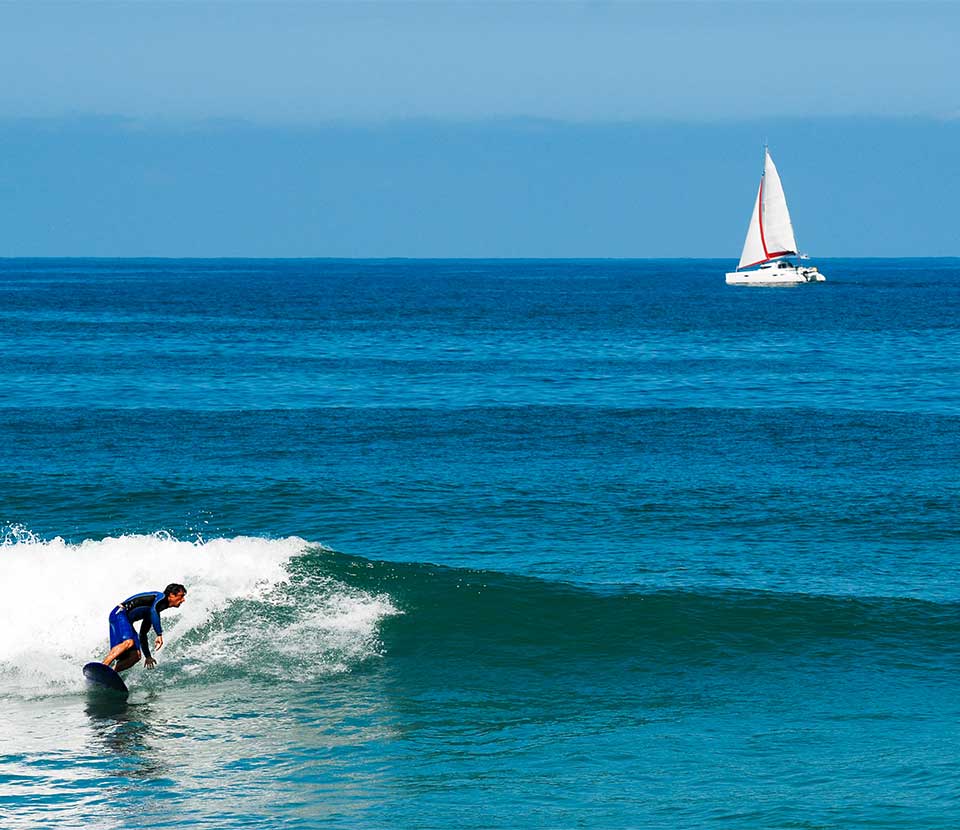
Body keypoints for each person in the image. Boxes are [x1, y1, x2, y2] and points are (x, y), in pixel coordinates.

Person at [101, 583, 187, 672]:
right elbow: (154, 610)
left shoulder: (153, 610)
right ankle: (103, 666)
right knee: (129, 642)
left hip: (126, 621)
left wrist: (148, 656)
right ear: (172, 595)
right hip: (119, 613)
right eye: (181, 596)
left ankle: (111, 672)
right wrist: (159, 634)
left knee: (136, 656)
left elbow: (143, 633)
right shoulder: (160, 598)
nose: (183, 600)